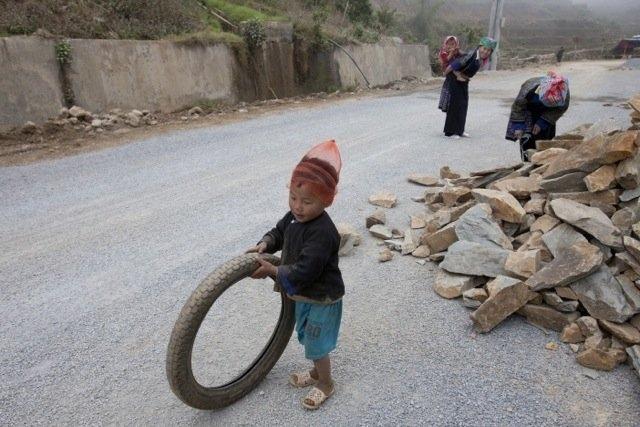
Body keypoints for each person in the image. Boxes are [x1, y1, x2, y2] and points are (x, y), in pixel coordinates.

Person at [246, 140, 344, 410]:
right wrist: (265, 244)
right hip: (304, 295)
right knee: (306, 335)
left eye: (307, 201)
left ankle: (325, 383)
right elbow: (279, 232)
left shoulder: (323, 232)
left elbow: (306, 270)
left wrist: (273, 270)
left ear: (327, 200)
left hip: (322, 298)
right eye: (293, 197)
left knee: (317, 343)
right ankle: (315, 373)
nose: (297, 207)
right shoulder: (293, 217)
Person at [505, 71, 570, 161]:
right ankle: (527, 162)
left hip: (548, 112)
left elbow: (560, 109)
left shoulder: (563, 92)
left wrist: (543, 122)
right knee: (527, 139)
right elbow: (518, 106)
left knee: (545, 139)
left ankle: (545, 161)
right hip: (529, 110)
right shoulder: (528, 89)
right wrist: (518, 126)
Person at [440, 36, 497, 139]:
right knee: (455, 104)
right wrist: (447, 73)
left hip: (463, 80)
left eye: (488, 50)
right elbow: (454, 64)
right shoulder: (472, 55)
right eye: (484, 49)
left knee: (463, 104)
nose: (485, 52)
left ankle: (459, 130)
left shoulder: (480, 59)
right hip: (454, 78)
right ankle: (450, 132)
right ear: (480, 47)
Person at [437, 35, 462, 113]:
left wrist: (457, 51)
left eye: (453, 44)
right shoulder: (443, 52)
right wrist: (451, 53)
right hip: (447, 69)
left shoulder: (456, 52)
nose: (450, 46)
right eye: (448, 44)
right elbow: (446, 60)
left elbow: (462, 57)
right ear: (445, 44)